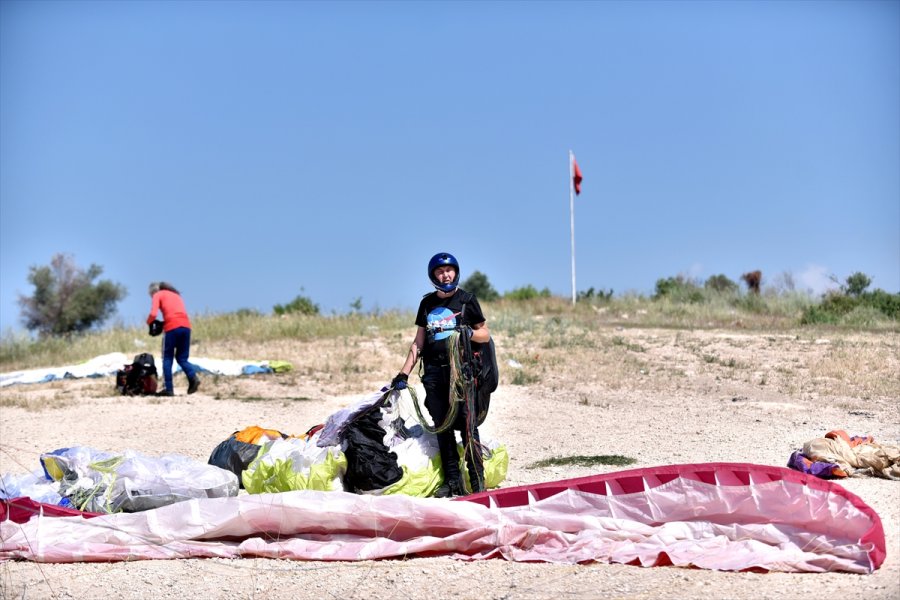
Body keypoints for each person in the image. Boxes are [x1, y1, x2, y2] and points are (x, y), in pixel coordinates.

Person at [392, 252, 491, 497]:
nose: (446, 275)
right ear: (433, 276)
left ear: (456, 272)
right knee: (442, 428)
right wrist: (403, 374)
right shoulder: (427, 304)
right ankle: (452, 482)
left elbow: (485, 334)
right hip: (434, 374)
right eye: (440, 271)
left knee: (468, 427)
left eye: (449, 270)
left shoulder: (467, 301)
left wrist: (467, 333)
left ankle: (476, 481)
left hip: (462, 376)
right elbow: (418, 342)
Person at [147, 282, 200, 396]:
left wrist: (149, 323)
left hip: (172, 328)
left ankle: (168, 388)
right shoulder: (176, 295)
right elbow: (175, 314)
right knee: (182, 358)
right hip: (186, 327)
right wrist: (163, 323)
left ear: (153, 292)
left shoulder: (158, 295)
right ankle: (193, 378)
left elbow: (153, 314)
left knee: (167, 358)